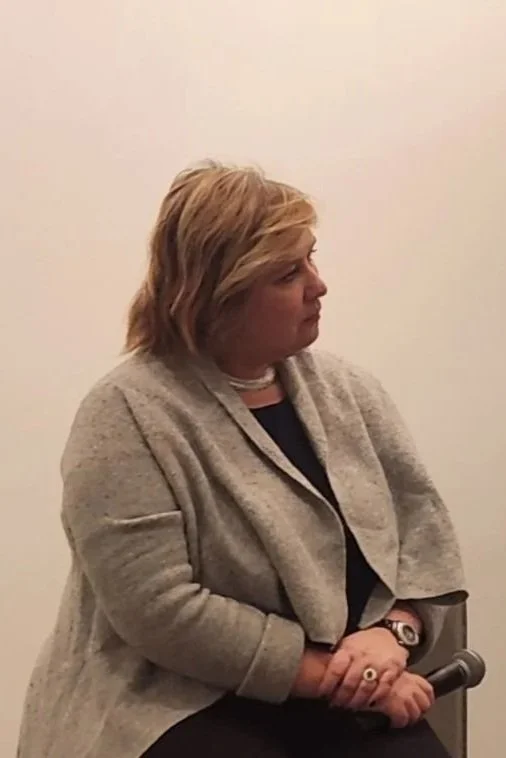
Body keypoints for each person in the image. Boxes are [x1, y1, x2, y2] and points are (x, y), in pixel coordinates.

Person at [18, 162, 468, 758]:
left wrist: (395, 634)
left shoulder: (350, 392)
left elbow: (423, 536)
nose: (318, 286)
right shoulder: (126, 414)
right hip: (171, 701)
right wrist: (344, 679)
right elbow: (161, 612)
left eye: (311, 259)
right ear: (217, 296)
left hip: (349, 686)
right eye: (288, 274)